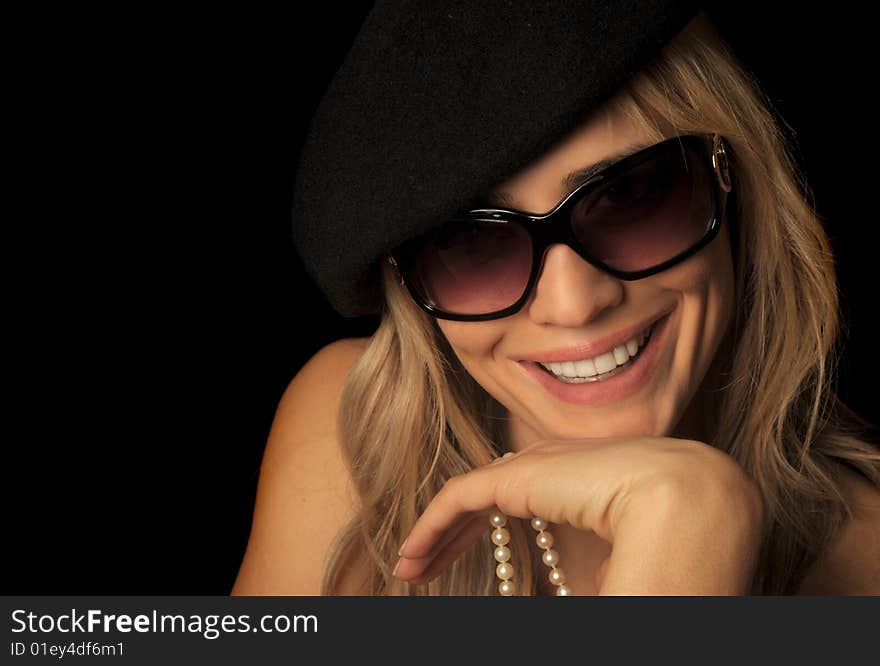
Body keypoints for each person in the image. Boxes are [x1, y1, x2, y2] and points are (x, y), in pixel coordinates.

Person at [232, 3, 880, 596]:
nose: (573, 305)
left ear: (731, 181)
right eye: (475, 244)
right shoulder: (353, 436)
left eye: (631, 196)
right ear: (409, 285)